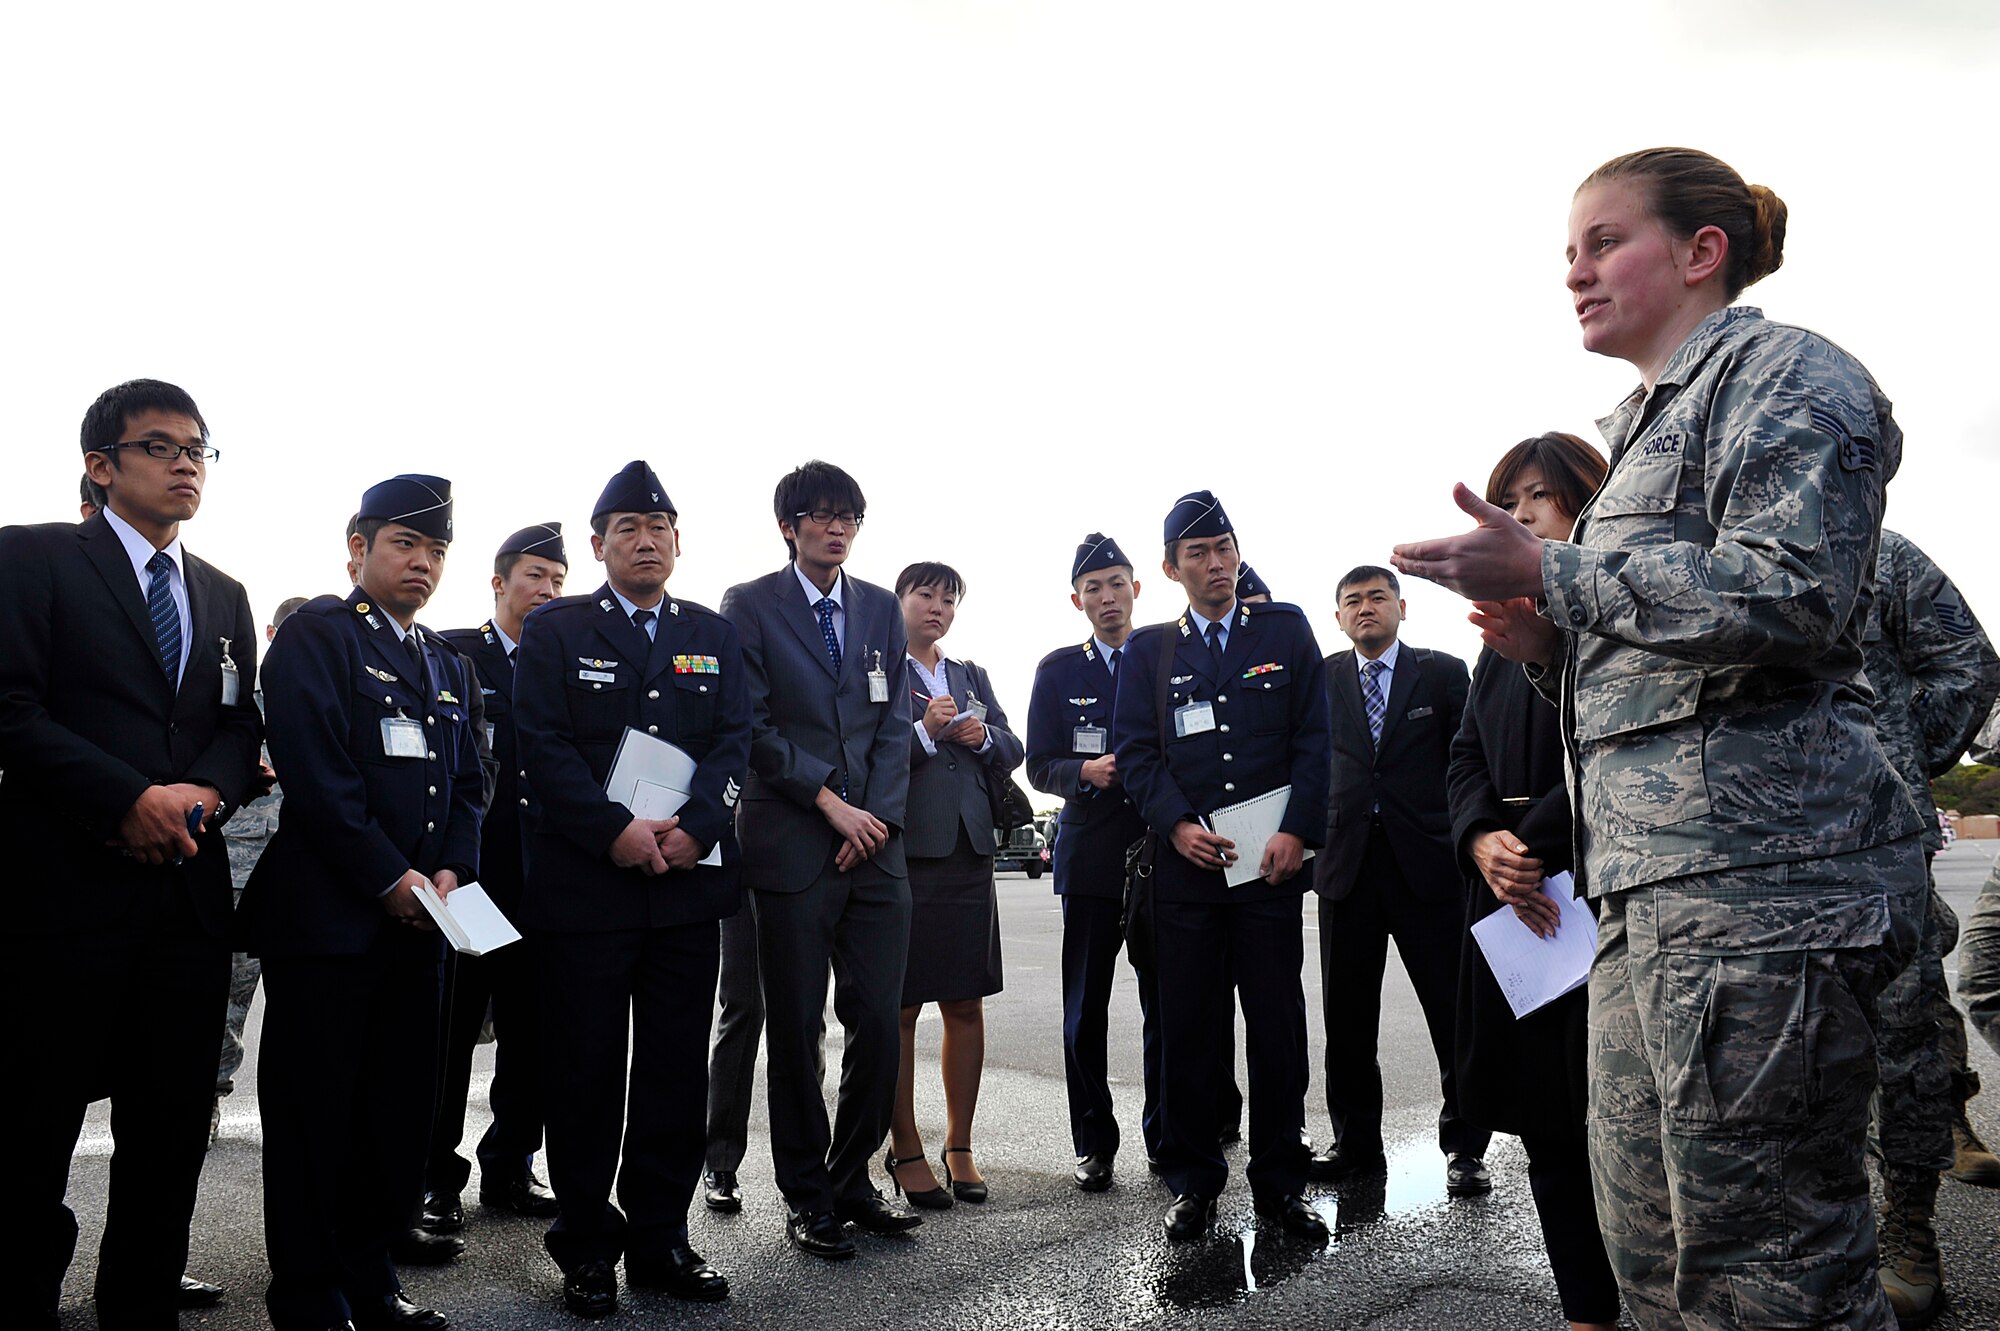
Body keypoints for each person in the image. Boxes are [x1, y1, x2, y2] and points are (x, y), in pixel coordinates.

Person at [1392, 147, 1928, 1330]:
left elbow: (1793, 591)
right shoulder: (1638, 428)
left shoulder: (1783, 374)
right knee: (1653, 1252)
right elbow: (1653, 682)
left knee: (1771, 1268)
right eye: (1565, 254)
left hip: (1761, 895)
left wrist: (1552, 568)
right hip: (1643, 901)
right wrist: (1546, 652)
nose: (1574, 273)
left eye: (1602, 242)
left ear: (1701, 251)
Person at [4, 380, 262, 1331]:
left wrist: (204, 791)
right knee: (33, 1128)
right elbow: (11, 710)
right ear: (102, 467)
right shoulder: (31, 559)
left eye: (199, 448)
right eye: (160, 446)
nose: (187, 461)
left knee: (166, 1132)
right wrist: (126, 797)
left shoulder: (223, 594)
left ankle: (141, 1305)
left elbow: (239, 728)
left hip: (185, 906)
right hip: (61, 900)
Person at [244, 474, 488, 1331]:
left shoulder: (444, 661)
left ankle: (371, 1275)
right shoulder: (319, 636)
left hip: (422, 926)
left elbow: (467, 788)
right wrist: (392, 879)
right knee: (316, 1115)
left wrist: (453, 870)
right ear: (359, 547)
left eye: (436, 551)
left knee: (396, 1110)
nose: (421, 564)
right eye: (404, 545)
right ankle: (309, 1293)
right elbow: (318, 776)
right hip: (331, 923)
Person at [513, 463, 749, 1317]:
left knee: (674, 1074)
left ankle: (661, 1236)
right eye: (626, 528)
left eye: (659, 526)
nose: (645, 540)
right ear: (598, 545)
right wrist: (611, 828)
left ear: (679, 540)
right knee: (584, 1073)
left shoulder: (713, 635)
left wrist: (698, 827)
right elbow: (539, 745)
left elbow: (735, 743)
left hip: (685, 888)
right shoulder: (556, 630)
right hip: (588, 891)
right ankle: (585, 1246)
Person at [1113, 490, 1332, 1243]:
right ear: (1171, 568)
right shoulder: (1151, 650)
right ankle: (1194, 1180)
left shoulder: (1285, 627)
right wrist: (1174, 824)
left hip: (1268, 874)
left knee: (1278, 1031)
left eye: (1226, 547)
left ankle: (1280, 1182)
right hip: (1187, 881)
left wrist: (1298, 831)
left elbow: (1314, 740)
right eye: (1199, 553)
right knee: (1190, 1036)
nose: (1217, 563)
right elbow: (1136, 753)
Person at [720, 461, 919, 1260]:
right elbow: (754, 725)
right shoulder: (750, 605)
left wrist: (875, 817)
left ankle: (852, 1177)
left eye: (850, 518)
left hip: (874, 846)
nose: (837, 529)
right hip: (793, 840)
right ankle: (807, 1196)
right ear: (790, 526)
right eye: (822, 516)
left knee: (877, 1017)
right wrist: (829, 802)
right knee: (797, 1026)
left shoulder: (877, 607)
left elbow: (896, 721)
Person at [1446, 433, 1620, 1331]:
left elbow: (1609, 748)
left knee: (1615, 1122)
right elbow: (1465, 751)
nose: (1516, 517)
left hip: (1587, 892)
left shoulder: (1613, 617)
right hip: (1513, 903)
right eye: (1507, 502)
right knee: (1547, 1128)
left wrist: (1533, 842)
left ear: (1587, 505)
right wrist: (1482, 838)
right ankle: (1586, 1309)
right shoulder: (1495, 635)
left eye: (1535, 501)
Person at [1859, 531, 2000, 1323]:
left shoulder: (1876, 551)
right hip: (1740, 853)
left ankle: (1908, 1226)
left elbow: (1968, 665)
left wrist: (1900, 758)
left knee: (1902, 1037)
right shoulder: (1682, 552)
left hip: (1876, 840)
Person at [1309, 566, 1485, 1194]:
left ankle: (1465, 1146)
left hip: (1428, 868)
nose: (1365, 608)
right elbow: (1302, 764)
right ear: (1338, 618)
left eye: (1377, 597)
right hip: (1345, 868)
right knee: (1349, 1020)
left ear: (1401, 608)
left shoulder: (1440, 673)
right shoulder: (1321, 679)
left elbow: (1469, 759)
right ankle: (1356, 1145)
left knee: (1450, 1011)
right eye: (1351, 600)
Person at [421, 524, 569, 1238]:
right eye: (536, 576)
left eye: (557, 581)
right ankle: (434, 1177)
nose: (546, 591)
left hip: (547, 881)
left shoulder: (570, 658)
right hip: (475, 880)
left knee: (534, 1034)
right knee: (449, 1036)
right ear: (499, 582)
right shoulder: (455, 652)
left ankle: (511, 1165)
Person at [882, 562, 1025, 1208]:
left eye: (948, 598)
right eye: (924, 594)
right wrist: (925, 731)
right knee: (901, 1009)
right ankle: (904, 1144)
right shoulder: (880, 668)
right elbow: (868, 752)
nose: (937, 607)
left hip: (969, 848)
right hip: (905, 850)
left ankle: (959, 1143)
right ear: (900, 600)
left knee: (965, 1002)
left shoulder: (969, 673)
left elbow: (1013, 744)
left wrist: (983, 734)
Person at [1026, 534, 1162, 1191]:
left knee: (1168, 1003)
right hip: (1092, 858)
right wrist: (1083, 770)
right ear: (1076, 599)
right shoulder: (1059, 670)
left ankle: (1168, 1135)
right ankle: (1094, 1142)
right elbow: (1038, 761)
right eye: (1094, 587)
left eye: (1117, 583)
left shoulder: (1167, 653)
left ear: (1138, 587)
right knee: (1087, 1009)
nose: (1107, 597)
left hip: (1163, 853)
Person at [215, 595, 310, 1146]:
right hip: (241, 871)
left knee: (304, 1004)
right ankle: (211, 1092)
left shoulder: (324, 698)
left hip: (303, 872)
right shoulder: (241, 707)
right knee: (228, 996)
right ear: (272, 634)